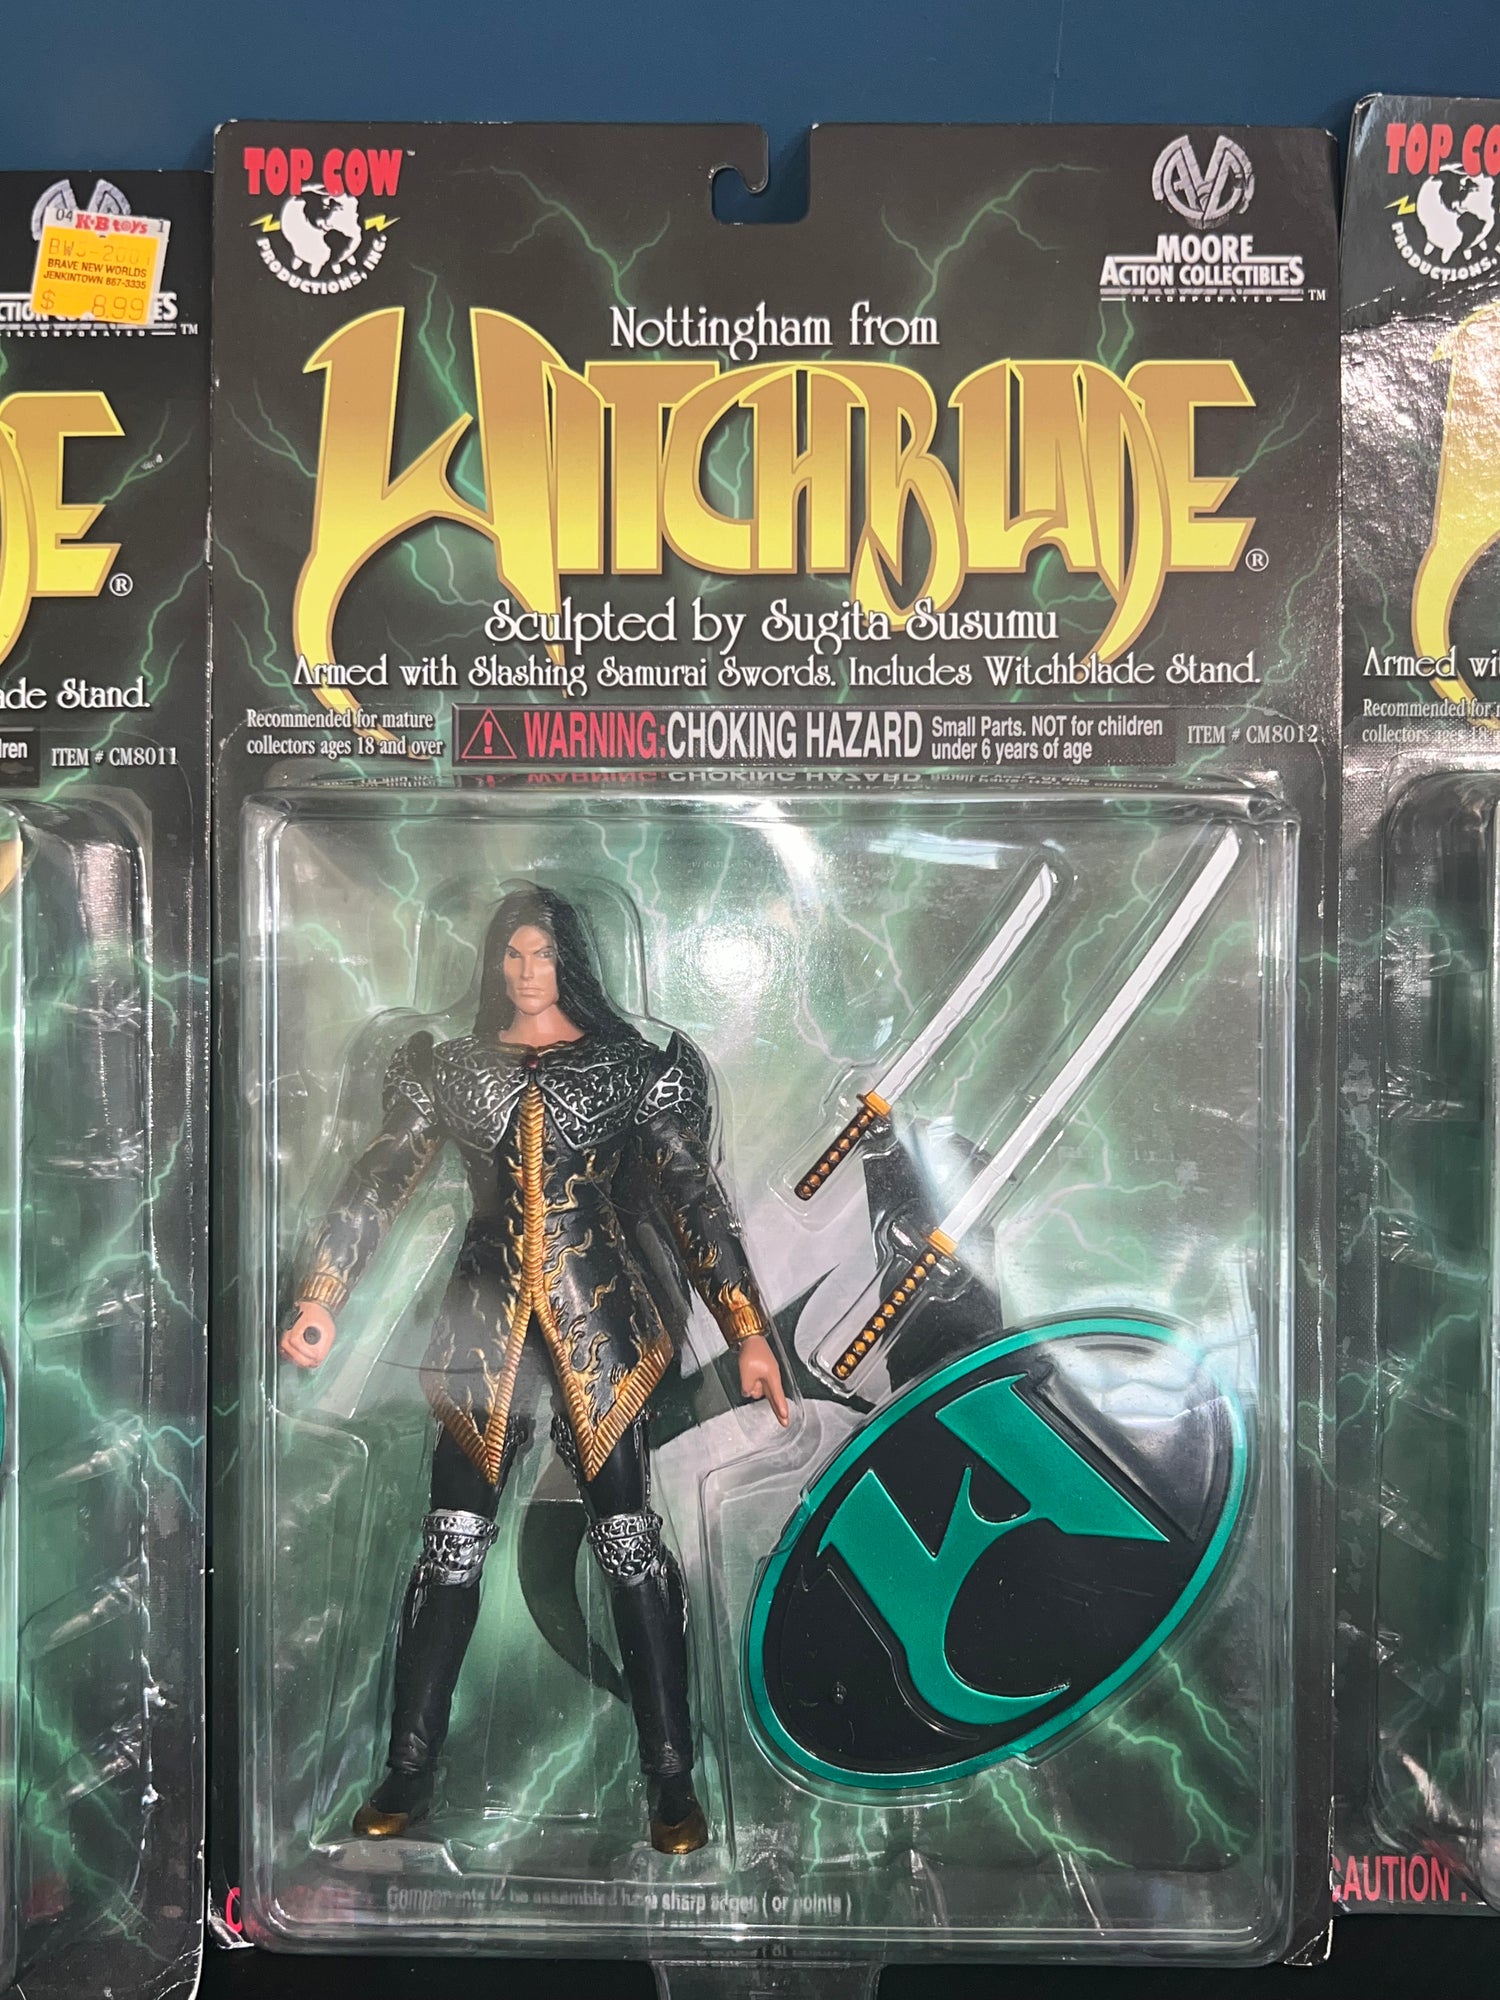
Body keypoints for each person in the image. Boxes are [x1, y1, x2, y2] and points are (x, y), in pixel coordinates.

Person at [280, 883, 787, 1853]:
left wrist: (746, 1327)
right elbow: (384, 1170)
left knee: (630, 1539)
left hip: (602, 1318)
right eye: (511, 953)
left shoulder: (632, 1068)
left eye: (543, 953)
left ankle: (672, 1775)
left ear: (572, 961)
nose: (525, 970)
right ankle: (409, 1765)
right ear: (492, 962)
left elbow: (692, 1192)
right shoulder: (452, 1067)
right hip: (482, 1326)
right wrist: (323, 1292)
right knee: (451, 1541)